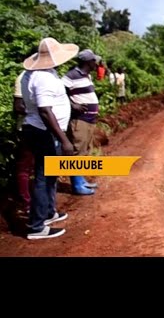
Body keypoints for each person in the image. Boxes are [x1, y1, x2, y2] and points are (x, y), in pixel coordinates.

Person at [21, 37, 79, 240]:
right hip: (43, 132)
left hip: (40, 130)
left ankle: (47, 213)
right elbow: (45, 111)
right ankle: (37, 227)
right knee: (43, 177)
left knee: (49, 174)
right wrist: (64, 140)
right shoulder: (43, 78)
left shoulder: (36, 74)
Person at [61, 49, 101, 195]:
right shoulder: (71, 76)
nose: (95, 63)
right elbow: (59, 93)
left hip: (89, 119)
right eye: (93, 61)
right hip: (80, 120)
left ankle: (82, 180)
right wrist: (73, 105)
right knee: (78, 152)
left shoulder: (86, 76)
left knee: (84, 151)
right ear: (87, 62)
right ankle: (77, 185)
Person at [13, 69, 35, 214]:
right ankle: (27, 203)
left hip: (42, 128)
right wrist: (38, 111)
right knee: (25, 167)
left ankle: (40, 202)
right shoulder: (23, 77)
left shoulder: (41, 75)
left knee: (38, 167)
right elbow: (17, 106)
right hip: (28, 128)